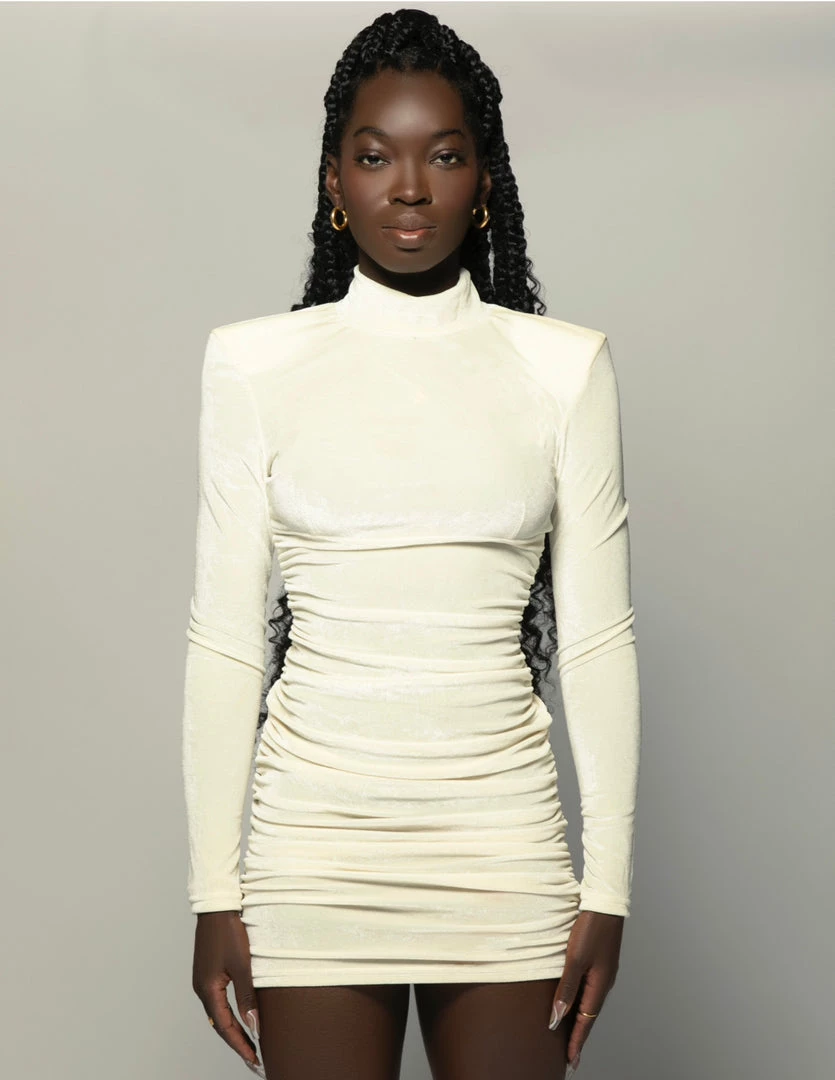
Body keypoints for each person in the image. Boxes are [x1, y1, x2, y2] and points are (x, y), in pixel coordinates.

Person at [181, 8, 641, 1080]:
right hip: (313, 853)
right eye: (374, 155)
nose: (409, 187)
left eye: (443, 154)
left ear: (482, 180)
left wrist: (608, 890)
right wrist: (214, 891)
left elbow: (597, 641)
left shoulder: (564, 369)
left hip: (502, 849)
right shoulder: (252, 367)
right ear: (333, 181)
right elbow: (225, 641)